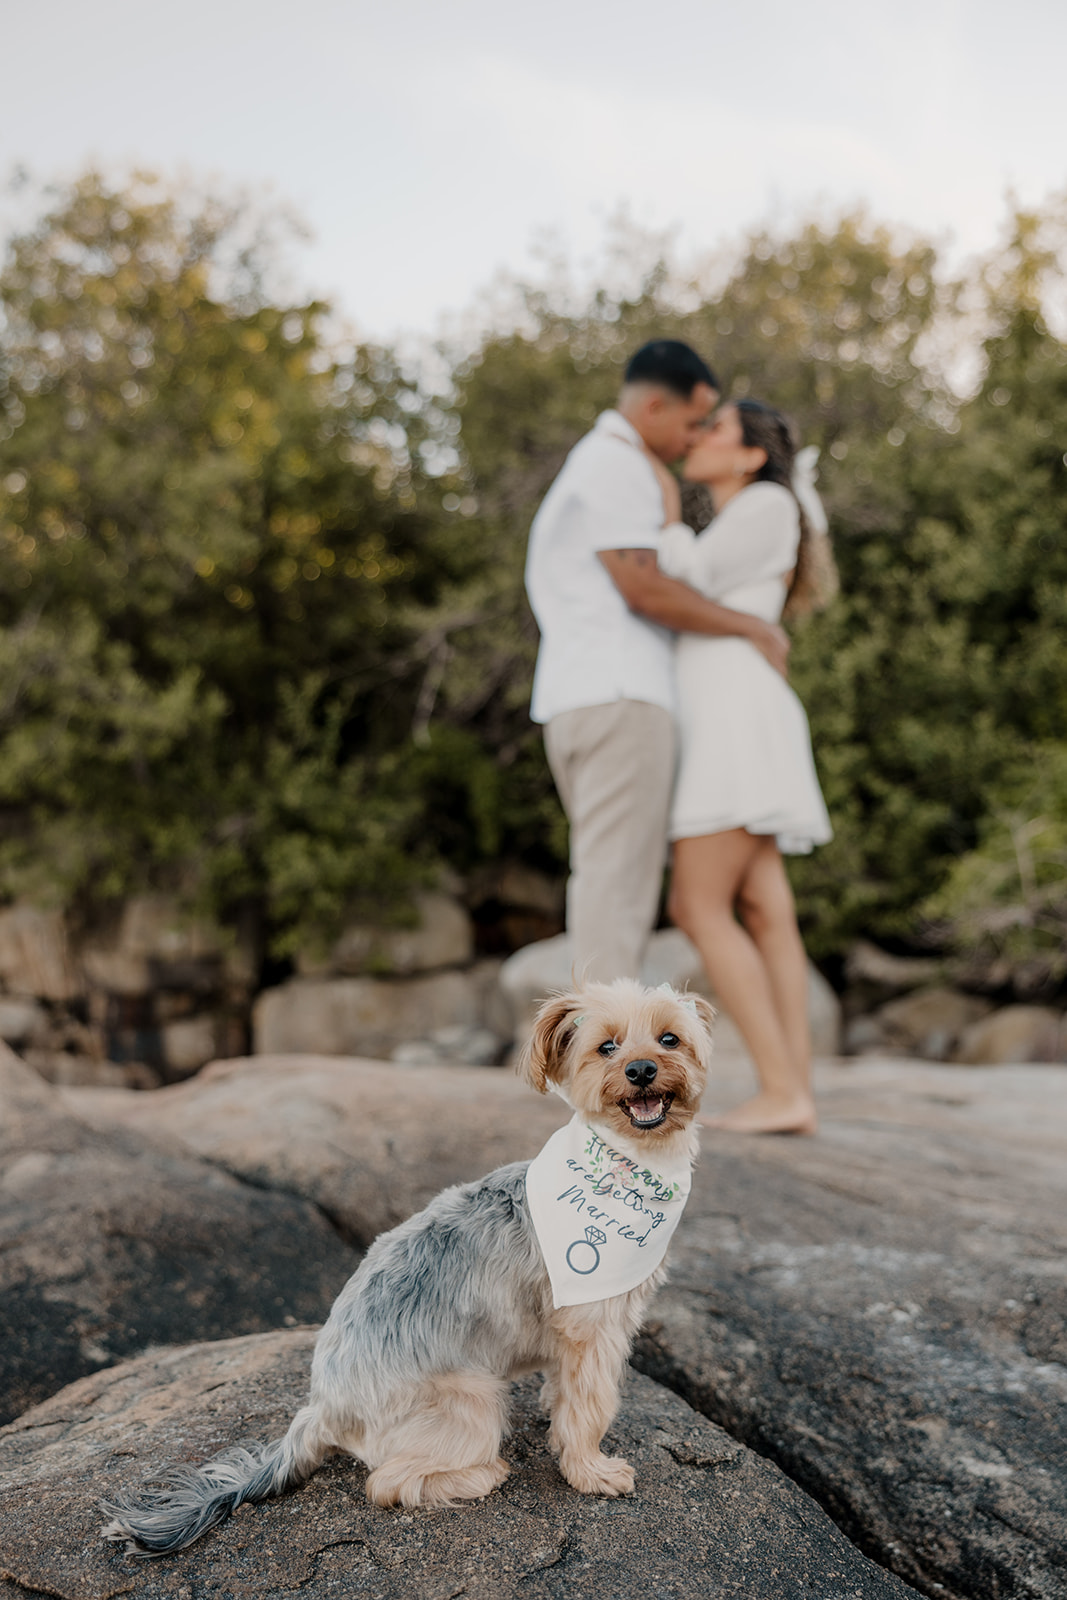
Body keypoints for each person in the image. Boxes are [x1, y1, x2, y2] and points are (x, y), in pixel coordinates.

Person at [525, 341, 791, 985]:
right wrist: (749, 626)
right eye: (693, 420)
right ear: (652, 406)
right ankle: (607, 1077)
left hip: (581, 694)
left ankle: (597, 1064)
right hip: (620, 698)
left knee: (606, 882)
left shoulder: (594, 464)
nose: (694, 435)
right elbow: (642, 587)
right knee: (616, 896)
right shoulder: (618, 465)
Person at [659, 398, 833, 1134]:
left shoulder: (762, 502)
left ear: (751, 454)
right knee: (762, 908)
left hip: (732, 715)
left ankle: (780, 1089)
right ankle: (791, 1087)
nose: (697, 439)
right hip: (734, 709)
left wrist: (663, 511)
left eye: (715, 430)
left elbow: (688, 577)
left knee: (697, 906)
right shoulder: (757, 509)